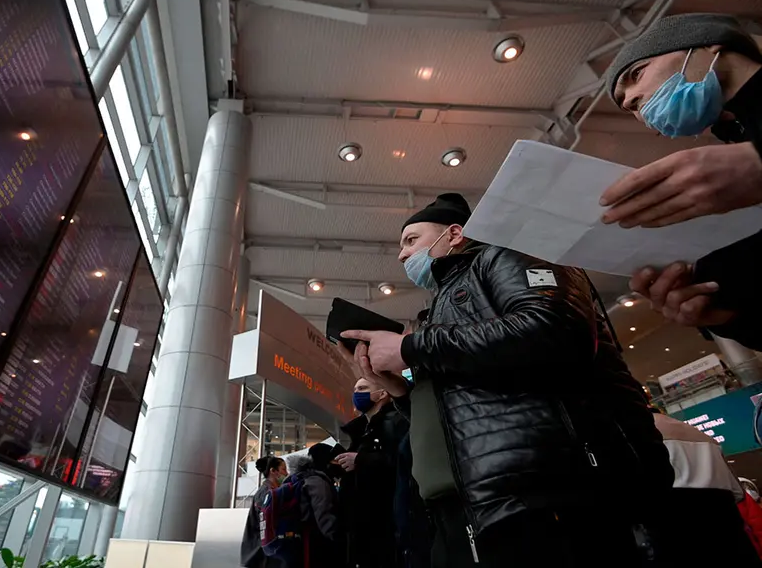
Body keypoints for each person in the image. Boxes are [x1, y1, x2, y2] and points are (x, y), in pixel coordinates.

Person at [340, 193, 674, 568]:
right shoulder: (439, 308)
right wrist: (401, 390)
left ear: (454, 233)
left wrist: (412, 347)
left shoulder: (507, 254)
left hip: (547, 492)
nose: (402, 255)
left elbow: (554, 327)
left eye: (411, 240)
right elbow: (459, 409)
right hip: (474, 505)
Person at [600, 13, 762, 349]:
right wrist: (726, 315)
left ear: (710, 42)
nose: (631, 101)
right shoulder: (738, 137)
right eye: (625, 106)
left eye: (636, 74)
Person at [650, 410, 761, 565]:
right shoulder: (705, 437)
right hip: (731, 535)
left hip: (682, 540)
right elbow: (738, 493)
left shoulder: (637, 437)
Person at [336, 377, 410, 568]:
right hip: (362, 531)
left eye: (362, 388)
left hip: (386, 529)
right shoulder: (361, 432)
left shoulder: (397, 423)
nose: (356, 394)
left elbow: (402, 463)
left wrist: (360, 460)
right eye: (355, 389)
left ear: (382, 393)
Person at [284, 454, 340, 568]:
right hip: (314, 542)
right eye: (333, 461)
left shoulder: (291, 480)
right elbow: (323, 514)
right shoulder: (316, 481)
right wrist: (338, 537)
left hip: (293, 539)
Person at [241, 456, 288, 568]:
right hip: (262, 556)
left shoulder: (269, 492)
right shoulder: (266, 494)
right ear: (273, 471)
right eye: (283, 469)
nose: (286, 473)